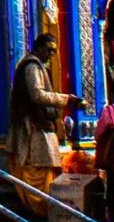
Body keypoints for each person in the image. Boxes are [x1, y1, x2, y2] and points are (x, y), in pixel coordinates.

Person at [7, 28, 78, 198]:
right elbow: (37, 95)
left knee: (46, 166)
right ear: (38, 48)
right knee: (36, 165)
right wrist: (66, 99)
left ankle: (45, 207)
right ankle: (37, 207)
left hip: (41, 124)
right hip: (32, 126)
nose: (50, 54)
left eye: (54, 51)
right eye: (48, 49)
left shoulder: (39, 67)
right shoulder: (32, 66)